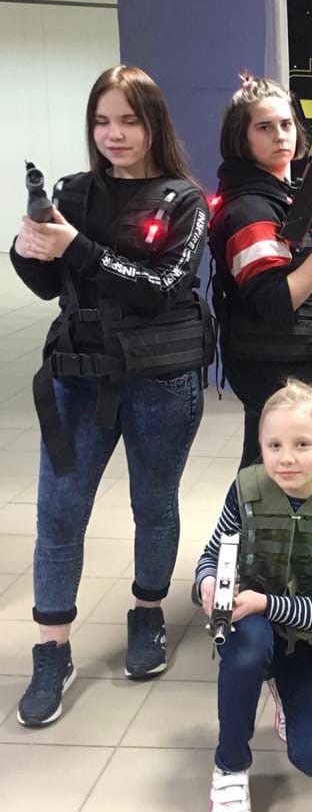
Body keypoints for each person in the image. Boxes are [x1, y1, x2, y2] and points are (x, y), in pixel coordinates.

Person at [12, 65, 212, 726]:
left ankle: (148, 612)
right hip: (76, 377)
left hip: (161, 378)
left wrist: (77, 247)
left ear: (154, 124)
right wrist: (28, 249)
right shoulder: (72, 192)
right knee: (58, 513)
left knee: (153, 504)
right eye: (102, 121)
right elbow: (51, 287)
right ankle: (52, 647)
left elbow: (162, 288)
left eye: (128, 120)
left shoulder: (184, 200)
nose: (114, 134)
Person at [196, 380, 312, 812]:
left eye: (301, 445)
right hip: (253, 628)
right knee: (248, 649)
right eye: (273, 445)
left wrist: (264, 602)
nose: (286, 459)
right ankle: (229, 768)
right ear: (260, 445)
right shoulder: (246, 489)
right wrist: (208, 583)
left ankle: (282, 685)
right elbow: (212, 554)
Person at [209, 75, 312, 486]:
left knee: (271, 479)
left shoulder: (275, 194)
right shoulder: (251, 209)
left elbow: (300, 287)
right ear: (241, 138)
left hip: (295, 360)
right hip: (280, 370)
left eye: (286, 124)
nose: (280, 135)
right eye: (264, 127)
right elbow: (276, 302)